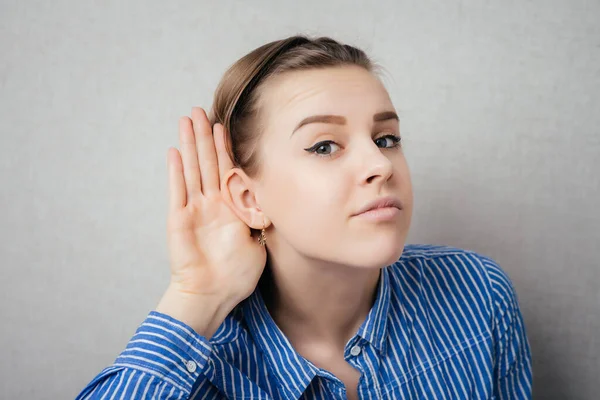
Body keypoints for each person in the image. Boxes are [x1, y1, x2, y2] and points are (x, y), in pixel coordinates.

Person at [75, 35, 532, 400]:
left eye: (387, 138)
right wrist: (195, 297)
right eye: (325, 146)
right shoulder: (200, 371)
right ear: (250, 198)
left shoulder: (478, 293)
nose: (381, 164)